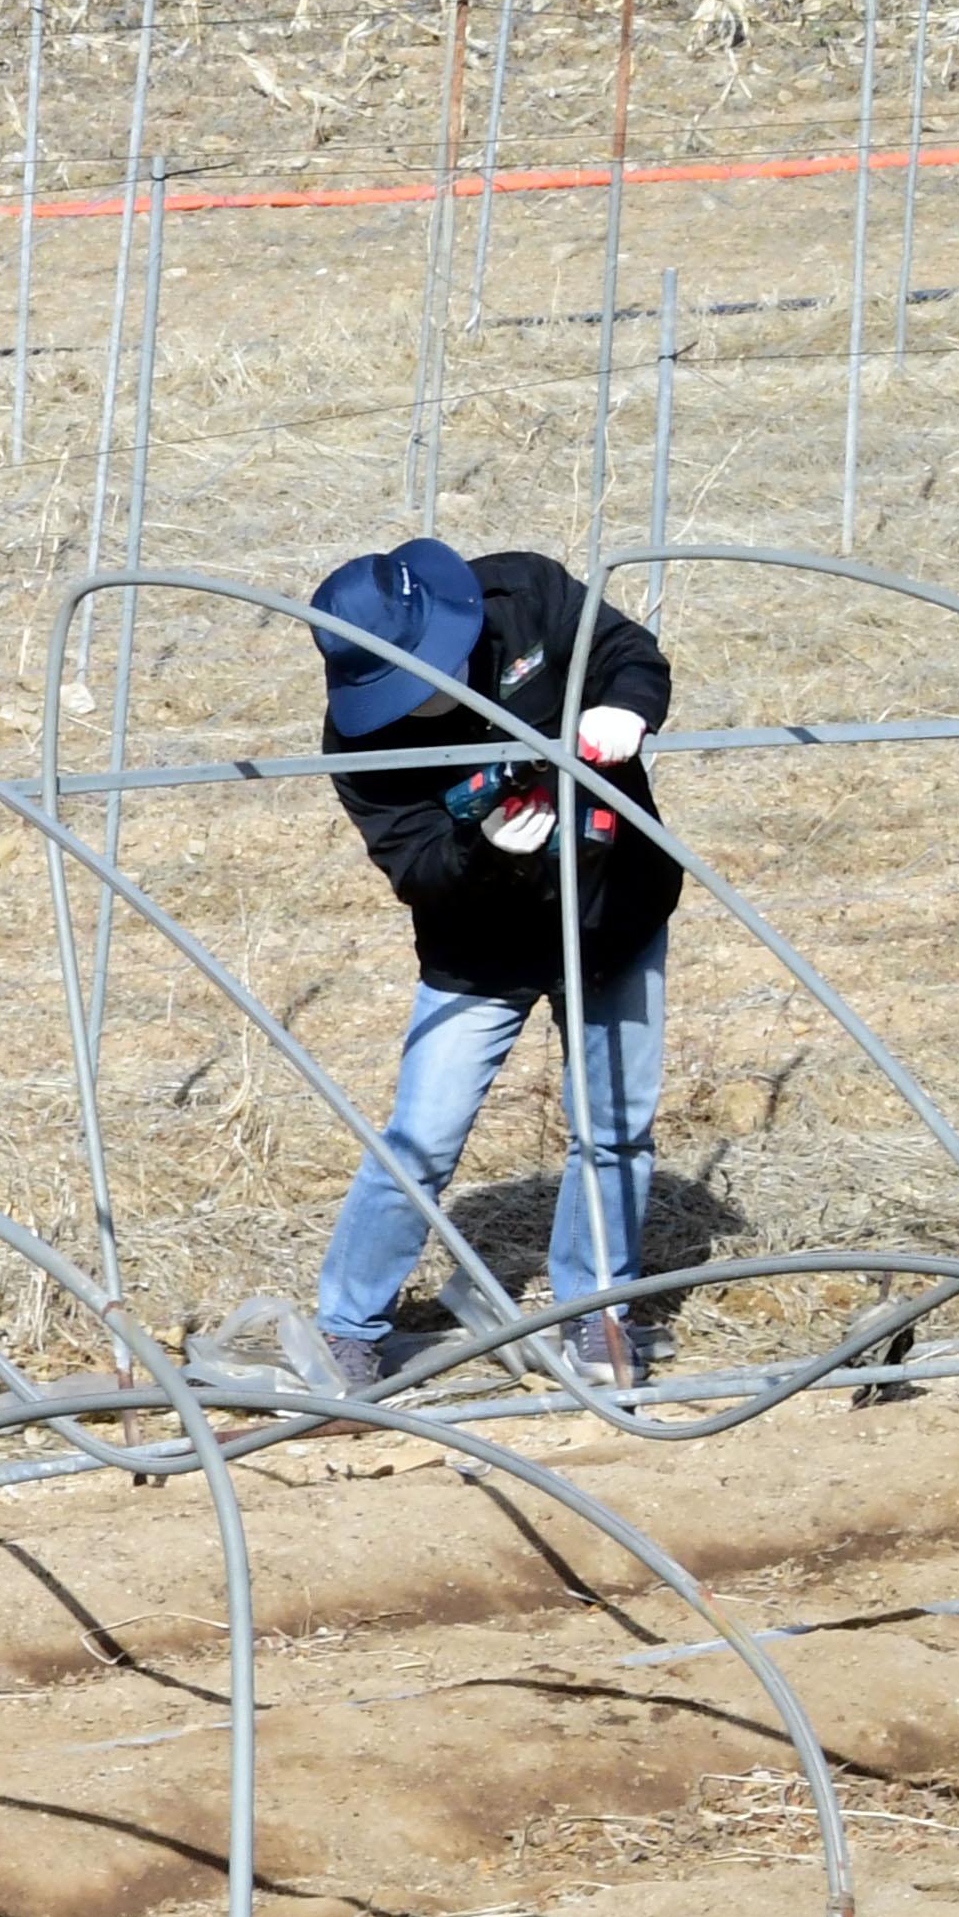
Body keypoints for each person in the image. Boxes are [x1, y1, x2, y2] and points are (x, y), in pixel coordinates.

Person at [306, 536, 680, 1389]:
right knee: (420, 1138)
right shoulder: (360, 743)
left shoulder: (526, 594)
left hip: (612, 914)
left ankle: (597, 1319)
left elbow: (630, 651)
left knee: (614, 1130)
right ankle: (347, 1328)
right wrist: (486, 850)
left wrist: (627, 705)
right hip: (477, 947)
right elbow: (415, 866)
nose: (417, 702)